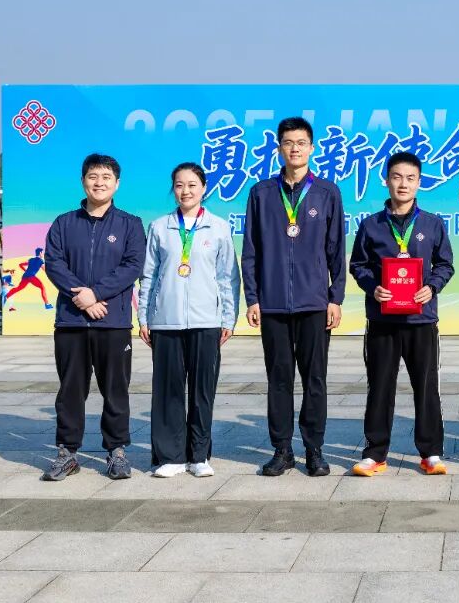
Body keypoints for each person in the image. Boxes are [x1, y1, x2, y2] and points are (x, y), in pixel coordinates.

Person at [241, 117, 346, 477]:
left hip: (314, 304)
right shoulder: (261, 193)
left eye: (301, 142)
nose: (295, 148)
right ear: (279, 148)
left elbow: (336, 250)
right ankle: (282, 450)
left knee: (315, 379)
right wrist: (252, 297)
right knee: (279, 379)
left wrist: (335, 298)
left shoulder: (326, 192)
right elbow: (251, 250)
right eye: (288, 142)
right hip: (272, 304)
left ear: (312, 148)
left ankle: (314, 449)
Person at [349, 151, 455, 476]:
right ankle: (375, 453)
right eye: (397, 177)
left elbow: (445, 264)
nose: (403, 184)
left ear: (419, 183)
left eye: (410, 178)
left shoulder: (432, 224)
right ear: (387, 180)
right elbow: (358, 265)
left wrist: (432, 287)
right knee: (380, 386)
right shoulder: (371, 225)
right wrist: (373, 287)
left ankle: (431, 452)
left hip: (421, 320)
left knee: (426, 386)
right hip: (383, 321)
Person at [41, 153, 145, 481]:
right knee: (71, 390)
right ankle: (67, 452)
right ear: (83, 180)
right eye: (93, 176)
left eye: (106, 177)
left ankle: (117, 451)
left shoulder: (130, 224)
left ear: (117, 183)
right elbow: (54, 263)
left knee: (115, 389)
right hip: (71, 322)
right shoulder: (64, 223)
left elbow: (132, 266)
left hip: (112, 322)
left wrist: (96, 294)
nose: (99, 183)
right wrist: (83, 299)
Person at [138, 163, 240, 478]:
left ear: (204, 188)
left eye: (192, 185)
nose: (186, 191)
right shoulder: (160, 227)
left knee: (202, 391)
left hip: (206, 320)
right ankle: (170, 457)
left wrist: (228, 318)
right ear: (173, 189)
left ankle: (198, 455)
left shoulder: (218, 227)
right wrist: (144, 317)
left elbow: (228, 277)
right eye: (180, 185)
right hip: (165, 321)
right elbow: (148, 276)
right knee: (167, 391)